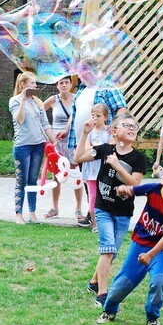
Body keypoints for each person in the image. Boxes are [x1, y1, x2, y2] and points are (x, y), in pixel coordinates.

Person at [96, 161, 163, 325]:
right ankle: (109, 310)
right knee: (124, 281)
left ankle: (153, 317)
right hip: (139, 244)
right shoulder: (154, 189)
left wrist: (151, 254)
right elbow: (133, 189)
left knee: (158, 281)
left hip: (158, 250)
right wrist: (125, 190)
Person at [74, 113, 147, 307]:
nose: (132, 129)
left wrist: (117, 166)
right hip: (103, 208)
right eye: (127, 125)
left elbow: (135, 186)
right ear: (114, 131)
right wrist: (84, 134)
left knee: (111, 253)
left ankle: (93, 281)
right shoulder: (105, 149)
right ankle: (102, 293)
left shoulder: (139, 158)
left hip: (123, 212)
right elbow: (78, 157)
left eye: (134, 127)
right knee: (108, 249)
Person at [66, 81, 127, 225]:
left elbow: (121, 108)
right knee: (91, 185)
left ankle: (104, 214)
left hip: (103, 145)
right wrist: (68, 131)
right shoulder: (81, 89)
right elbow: (75, 114)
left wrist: (115, 130)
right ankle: (92, 213)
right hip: (84, 142)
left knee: (105, 184)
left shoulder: (107, 86)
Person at [9, 72, 57, 225]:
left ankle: (32, 213)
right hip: (22, 146)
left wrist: (54, 141)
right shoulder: (14, 101)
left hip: (38, 145)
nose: (35, 87)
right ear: (23, 84)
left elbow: (45, 124)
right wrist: (23, 100)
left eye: (35, 84)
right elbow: (20, 119)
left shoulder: (37, 102)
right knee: (21, 180)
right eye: (32, 84)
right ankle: (18, 214)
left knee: (32, 180)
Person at [42, 76, 83, 220]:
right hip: (56, 142)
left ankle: (78, 208)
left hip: (72, 140)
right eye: (61, 83)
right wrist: (47, 132)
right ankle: (55, 208)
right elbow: (39, 112)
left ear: (71, 84)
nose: (64, 85)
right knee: (56, 174)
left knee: (76, 174)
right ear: (57, 85)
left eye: (66, 82)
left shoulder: (77, 98)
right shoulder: (53, 100)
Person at [77, 103, 111, 230]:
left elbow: (111, 147)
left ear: (105, 117)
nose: (95, 118)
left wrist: (96, 148)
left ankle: (106, 221)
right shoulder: (89, 132)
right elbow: (87, 149)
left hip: (104, 168)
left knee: (105, 195)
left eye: (98, 116)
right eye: (93, 116)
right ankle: (95, 223)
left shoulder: (109, 131)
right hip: (91, 169)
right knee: (92, 196)